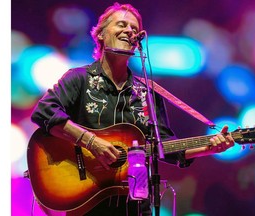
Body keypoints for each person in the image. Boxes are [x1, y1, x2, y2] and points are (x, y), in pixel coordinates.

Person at [30, 2, 234, 216]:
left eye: (135, 29)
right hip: (88, 203)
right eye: (122, 25)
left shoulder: (148, 91)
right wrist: (91, 142)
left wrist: (209, 148)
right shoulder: (79, 79)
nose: (130, 31)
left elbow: (163, 146)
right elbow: (44, 112)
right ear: (100, 34)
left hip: (136, 205)